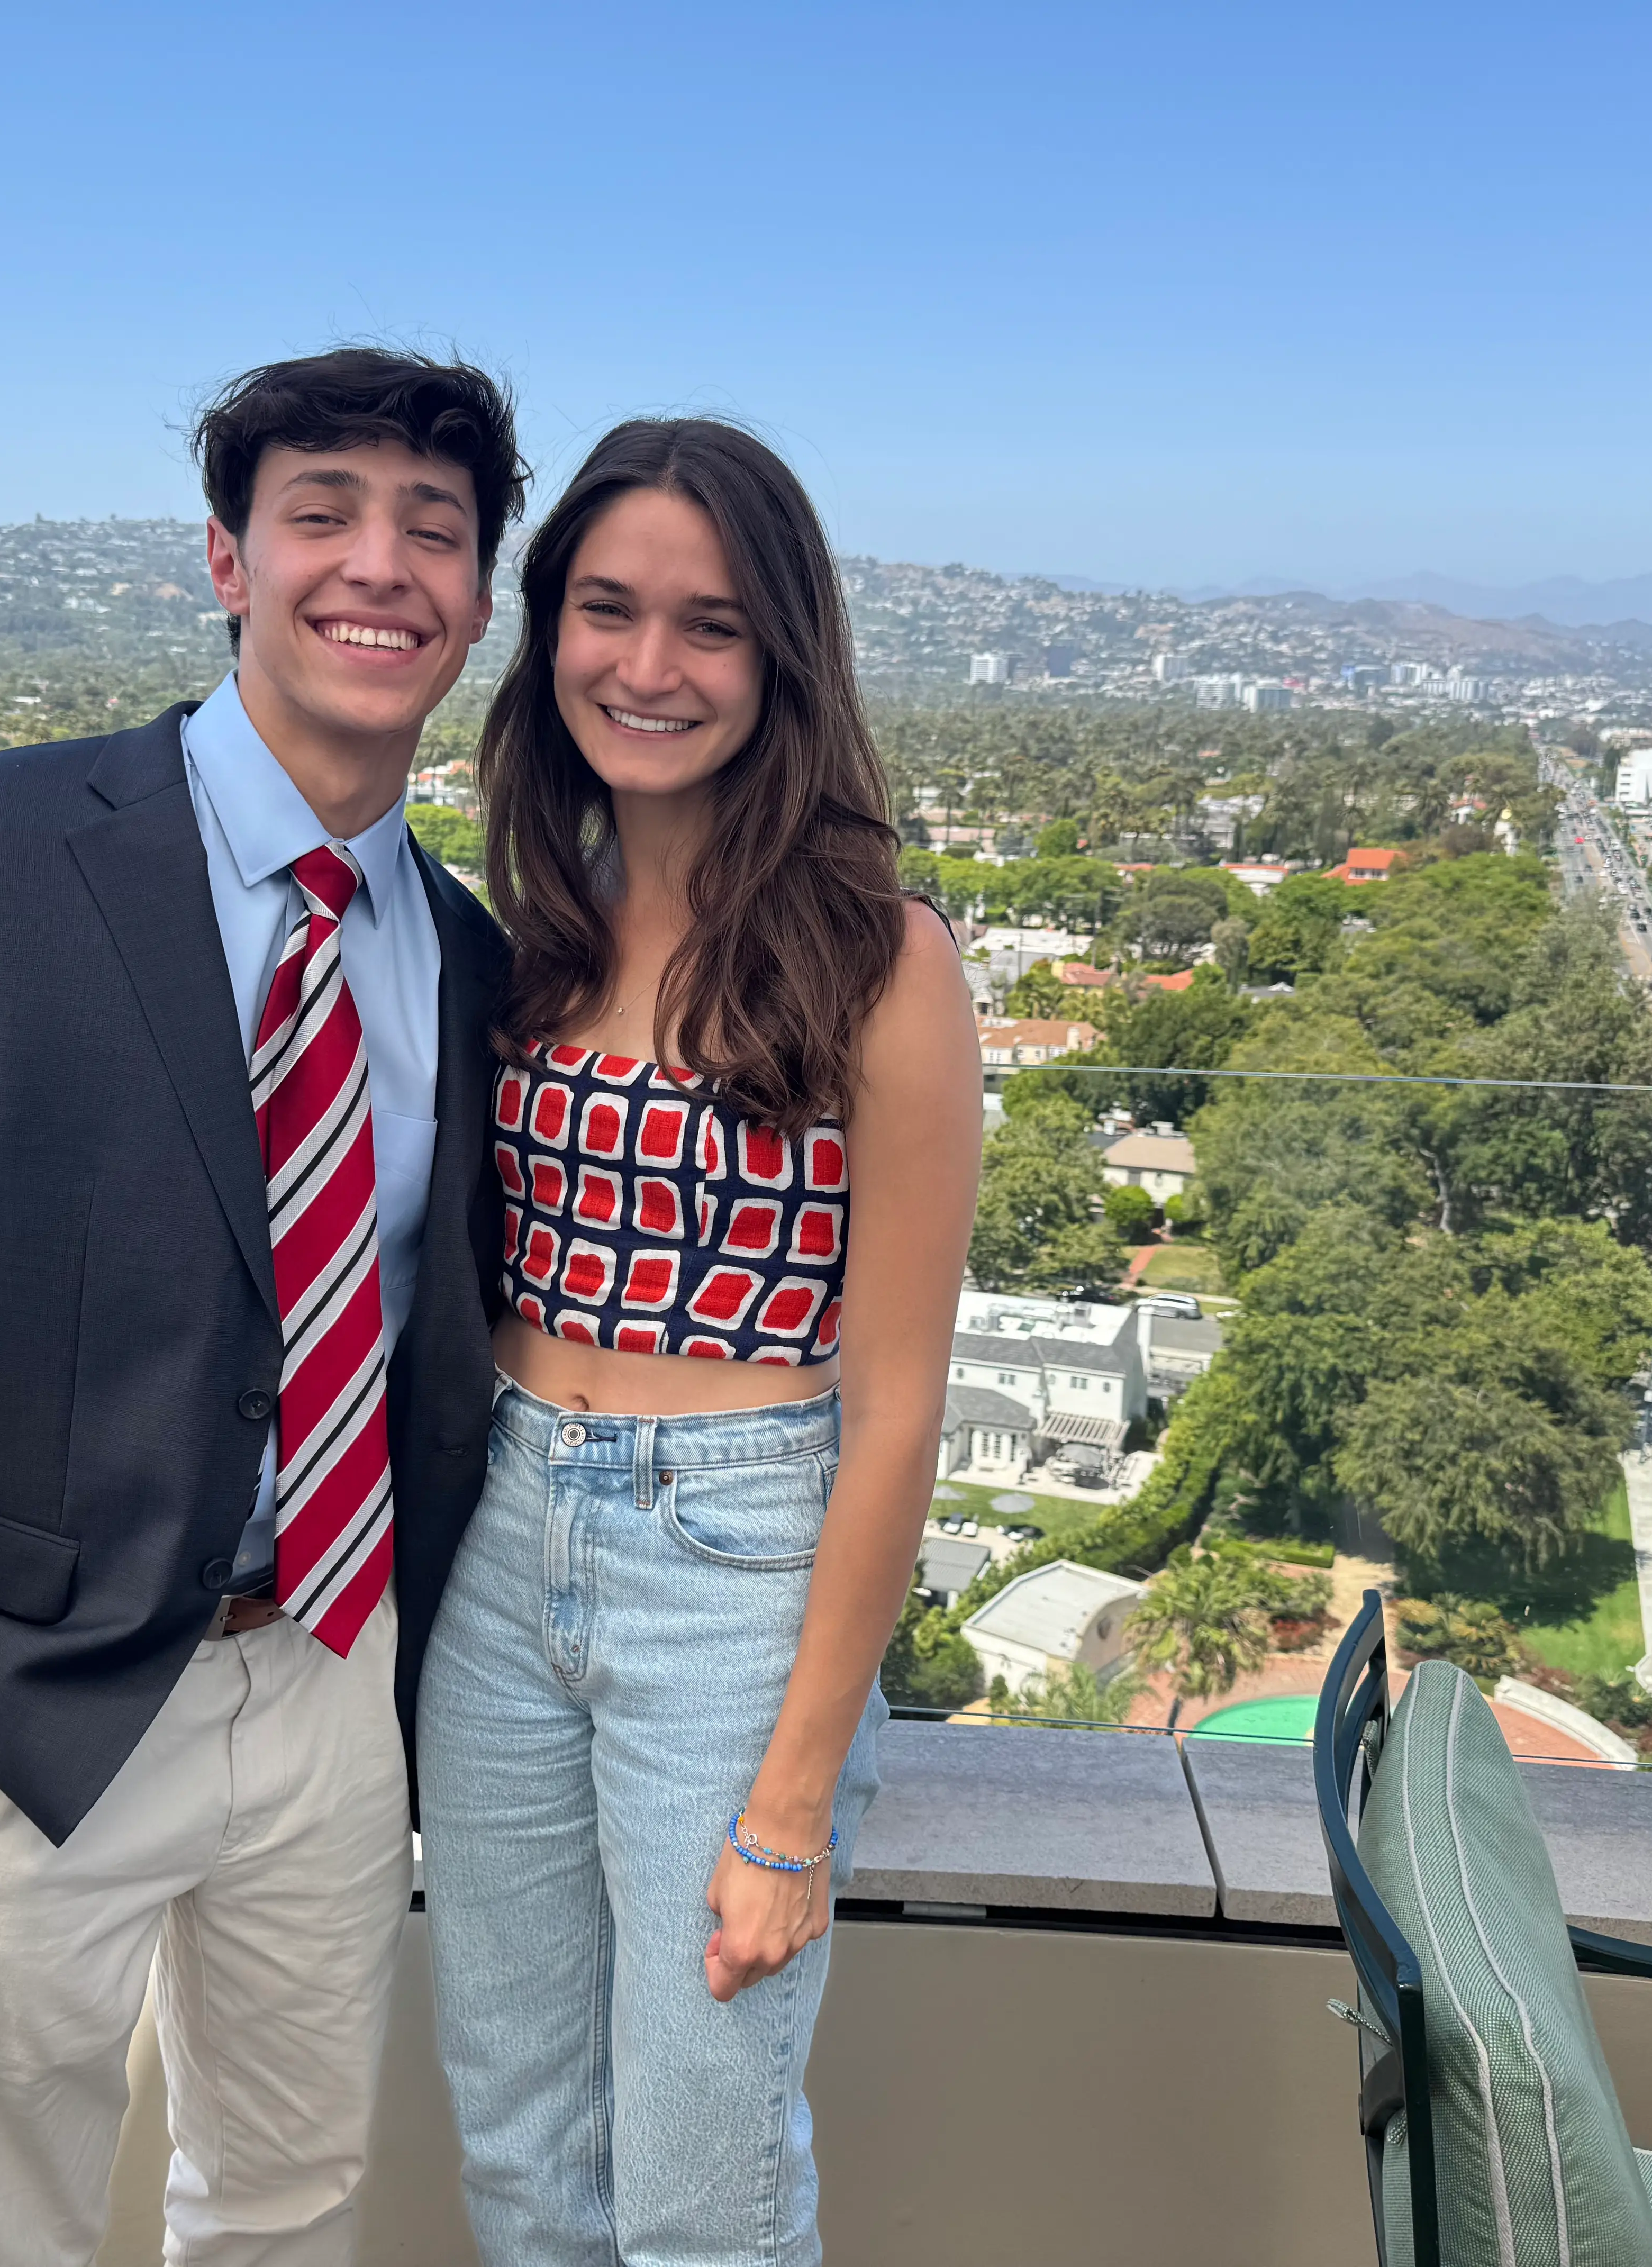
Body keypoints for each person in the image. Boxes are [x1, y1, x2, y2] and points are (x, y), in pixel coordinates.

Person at [0, 347, 524, 2266]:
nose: (380, 567)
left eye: (435, 530)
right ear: (226, 560)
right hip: (30, 1704)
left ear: (482, 599)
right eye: (321, 512)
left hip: (335, 1682)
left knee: (288, 2205)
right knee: (8, 2231)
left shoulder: (472, 950)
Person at [416, 419, 981, 2265]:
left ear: (782, 659)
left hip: (730, 1566)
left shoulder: (878, 959)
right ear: (548, 629)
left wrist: (796, 1802)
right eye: (607, 609)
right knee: (519, 2155)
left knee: (701, 2193)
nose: (648, 667)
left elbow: (896, 1406)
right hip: (502, 1539)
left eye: (710, 625)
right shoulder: (536, 931)